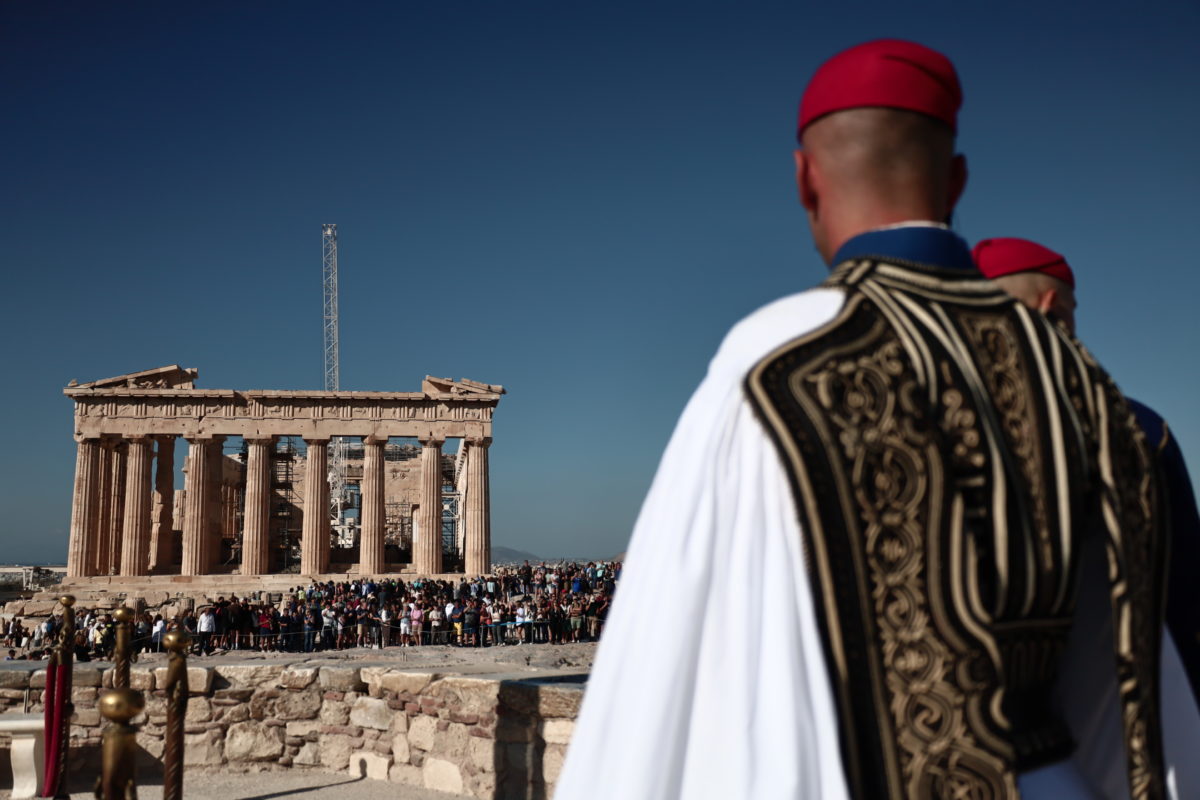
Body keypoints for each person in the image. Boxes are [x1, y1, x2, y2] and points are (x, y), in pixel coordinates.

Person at [557, 39, 1193, 800]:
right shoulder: (1087, 386)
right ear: (956, 179)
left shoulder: (775, 361)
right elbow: (1125, 676)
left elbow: (669, 662)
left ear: (804, 179)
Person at [973, 236, 1200, 707]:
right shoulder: (1141, 428)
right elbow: (1184, 594)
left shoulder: (926, 420)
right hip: (1115, 719)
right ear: (1052, 305)